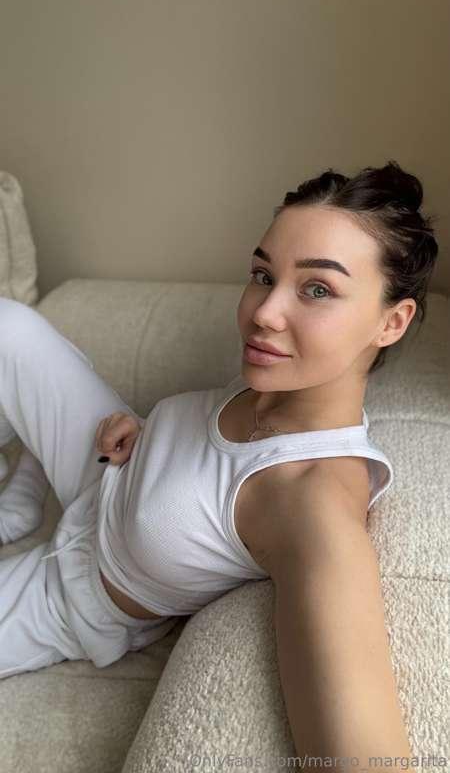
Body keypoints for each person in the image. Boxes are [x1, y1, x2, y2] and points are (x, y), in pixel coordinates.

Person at [0, 159, 439, 679]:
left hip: (79, 587)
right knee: (10, 326)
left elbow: (360, 731)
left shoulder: (315, 501)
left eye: (318, 289)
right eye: (263, 276)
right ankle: (25, 491)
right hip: (108, 465)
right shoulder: (282, 380)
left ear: (392, 322)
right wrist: (152, 436)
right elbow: (214, 462)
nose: (263, 313)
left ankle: (24, 489)